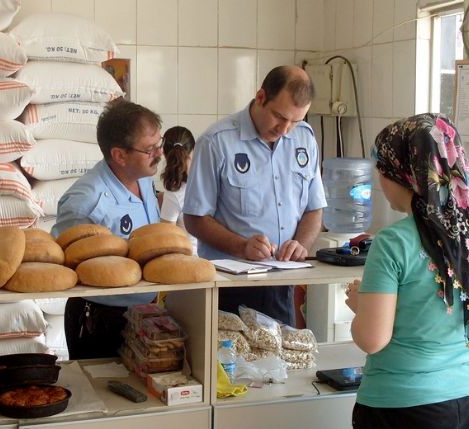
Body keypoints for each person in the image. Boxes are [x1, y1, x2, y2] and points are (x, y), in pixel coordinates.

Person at [344, 113, 469, 429]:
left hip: (404, 405)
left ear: (400, 173)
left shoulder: (393, 242)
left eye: (381, 169)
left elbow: (372, 339)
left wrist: (362, 305)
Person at [183, 65, 326, 326]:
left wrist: (301, 244)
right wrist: (242, 246)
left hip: (282, 284)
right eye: (279, 117)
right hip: (229, 286)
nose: (285, 129)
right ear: (261, 98)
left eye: (295, 121)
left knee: (282, 364)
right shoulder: (217, 141)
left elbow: (314, 209)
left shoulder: (304, 139)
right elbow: (195, 217)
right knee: (228, 366)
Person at [51, 99, 163, 359]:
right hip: (100, 318)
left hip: (146, 310)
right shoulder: (85, 201)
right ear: (119, 155)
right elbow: (64, 262)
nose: (160, 154)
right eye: (150, 149)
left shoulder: (143, 179)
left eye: (160, 144)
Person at [159, 125, 198, 254]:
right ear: (194, 149)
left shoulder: (175, 192)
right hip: (219, 260)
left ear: (164, 154)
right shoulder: (207, 182)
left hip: (189, 261)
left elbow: (166, 239)